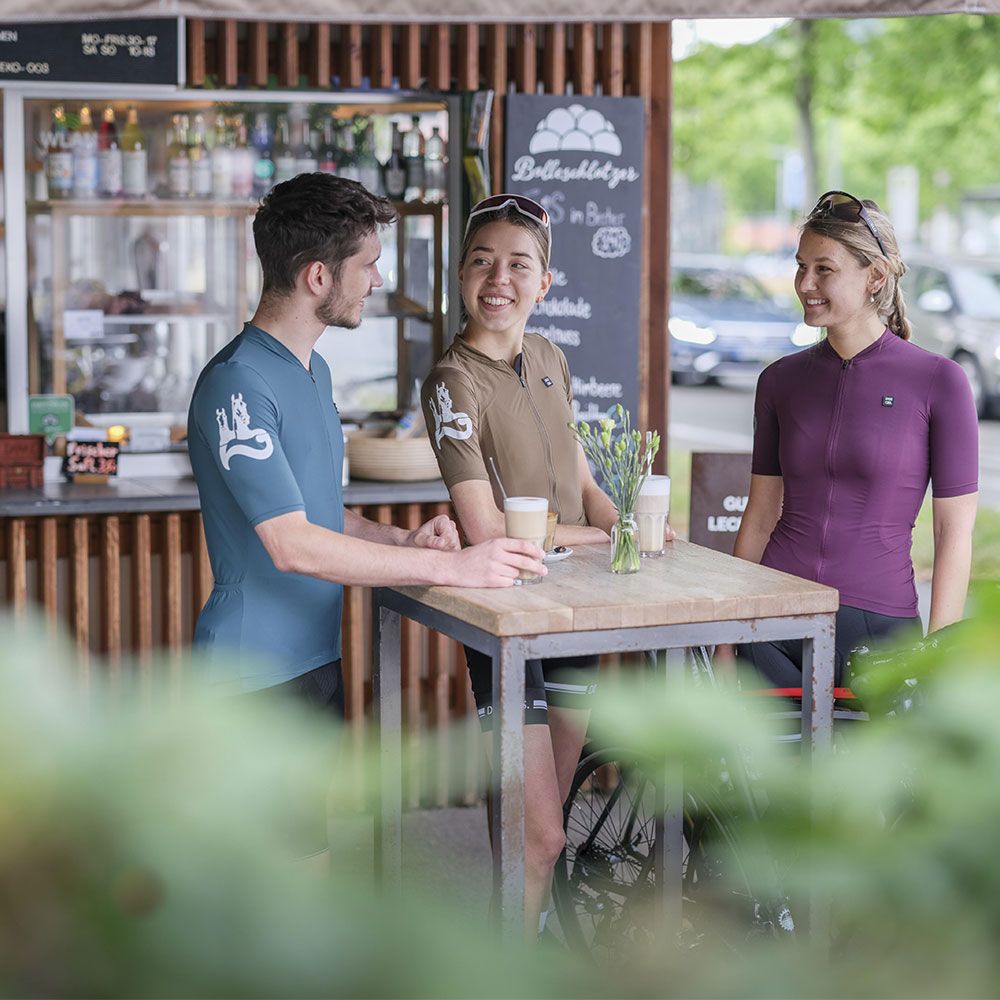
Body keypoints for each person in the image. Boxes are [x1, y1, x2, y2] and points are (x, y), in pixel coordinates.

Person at [187, 175, 546, 852]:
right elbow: (292, 545)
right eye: (368, 265)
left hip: (315, 663)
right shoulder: (238, 382)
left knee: (313, 866)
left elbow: (325, 518)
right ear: (318, 275)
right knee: (270, 891)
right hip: (252, 677)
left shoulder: (312, 372)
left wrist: (410, 539)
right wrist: (462, 568)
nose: (378, 280)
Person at [421, 194, 670, 940]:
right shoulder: (451, 380)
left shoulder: (552, 359)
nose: (499, 278)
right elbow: (488, 529)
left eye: (518, 264)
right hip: (512, 621)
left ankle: (520, 945)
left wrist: (630, 520)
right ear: (460, 275)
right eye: (481, 261)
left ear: (546, 281)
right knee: (541, 836)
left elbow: (586, 485)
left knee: (543, 825)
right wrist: (609, 537)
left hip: (579, 615)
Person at [733, 191, 979, 689]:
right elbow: (759, 516)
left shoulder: (939, 381)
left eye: (825, 269)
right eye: (801, 266)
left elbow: (954, 534)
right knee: (769, 770)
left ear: (876, 277)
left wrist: (938, 658)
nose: (805, 284)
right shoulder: (779, 381)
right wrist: (723, 636)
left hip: (879, 633)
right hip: (771, 619)